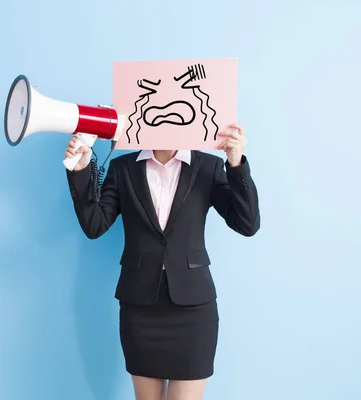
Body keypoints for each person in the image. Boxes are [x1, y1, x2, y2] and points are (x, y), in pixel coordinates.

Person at [64, 124, 260, 400]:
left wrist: (236, 163)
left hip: (193, 309)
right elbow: (95, 225)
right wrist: (81, 170)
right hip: (140, 308)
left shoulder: (208, 167)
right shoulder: (123, 168)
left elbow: (247, 223)